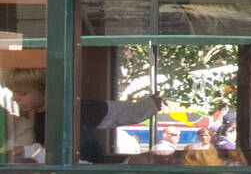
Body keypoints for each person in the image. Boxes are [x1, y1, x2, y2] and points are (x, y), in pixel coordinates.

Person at [4, 67, 160, 164]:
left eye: (23, 93)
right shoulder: (36, 115)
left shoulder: (74, 110)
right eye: (14, 93)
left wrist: (150, 105)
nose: (15, 98)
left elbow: (118, 112)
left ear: (45, 89)